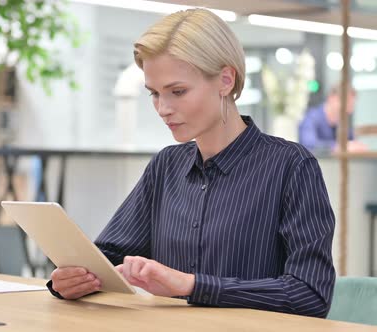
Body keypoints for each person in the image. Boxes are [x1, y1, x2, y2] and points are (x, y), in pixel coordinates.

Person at [47, 8, 336, 318]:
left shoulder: (291, 167)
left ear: (226, 80)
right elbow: (108, 256)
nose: (163, 108)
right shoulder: (166, 167)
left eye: (178, 91)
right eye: (155, 94)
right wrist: (71, 279)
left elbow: (310, 294)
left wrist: (191, 285)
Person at [299, 84, 368, 152]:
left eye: (351, 105)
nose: (350, 111)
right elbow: (308, 145)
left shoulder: (342, 123)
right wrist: (338, 147)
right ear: (332, 98)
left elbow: (350, 143)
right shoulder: (311, 118)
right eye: (347, 104)